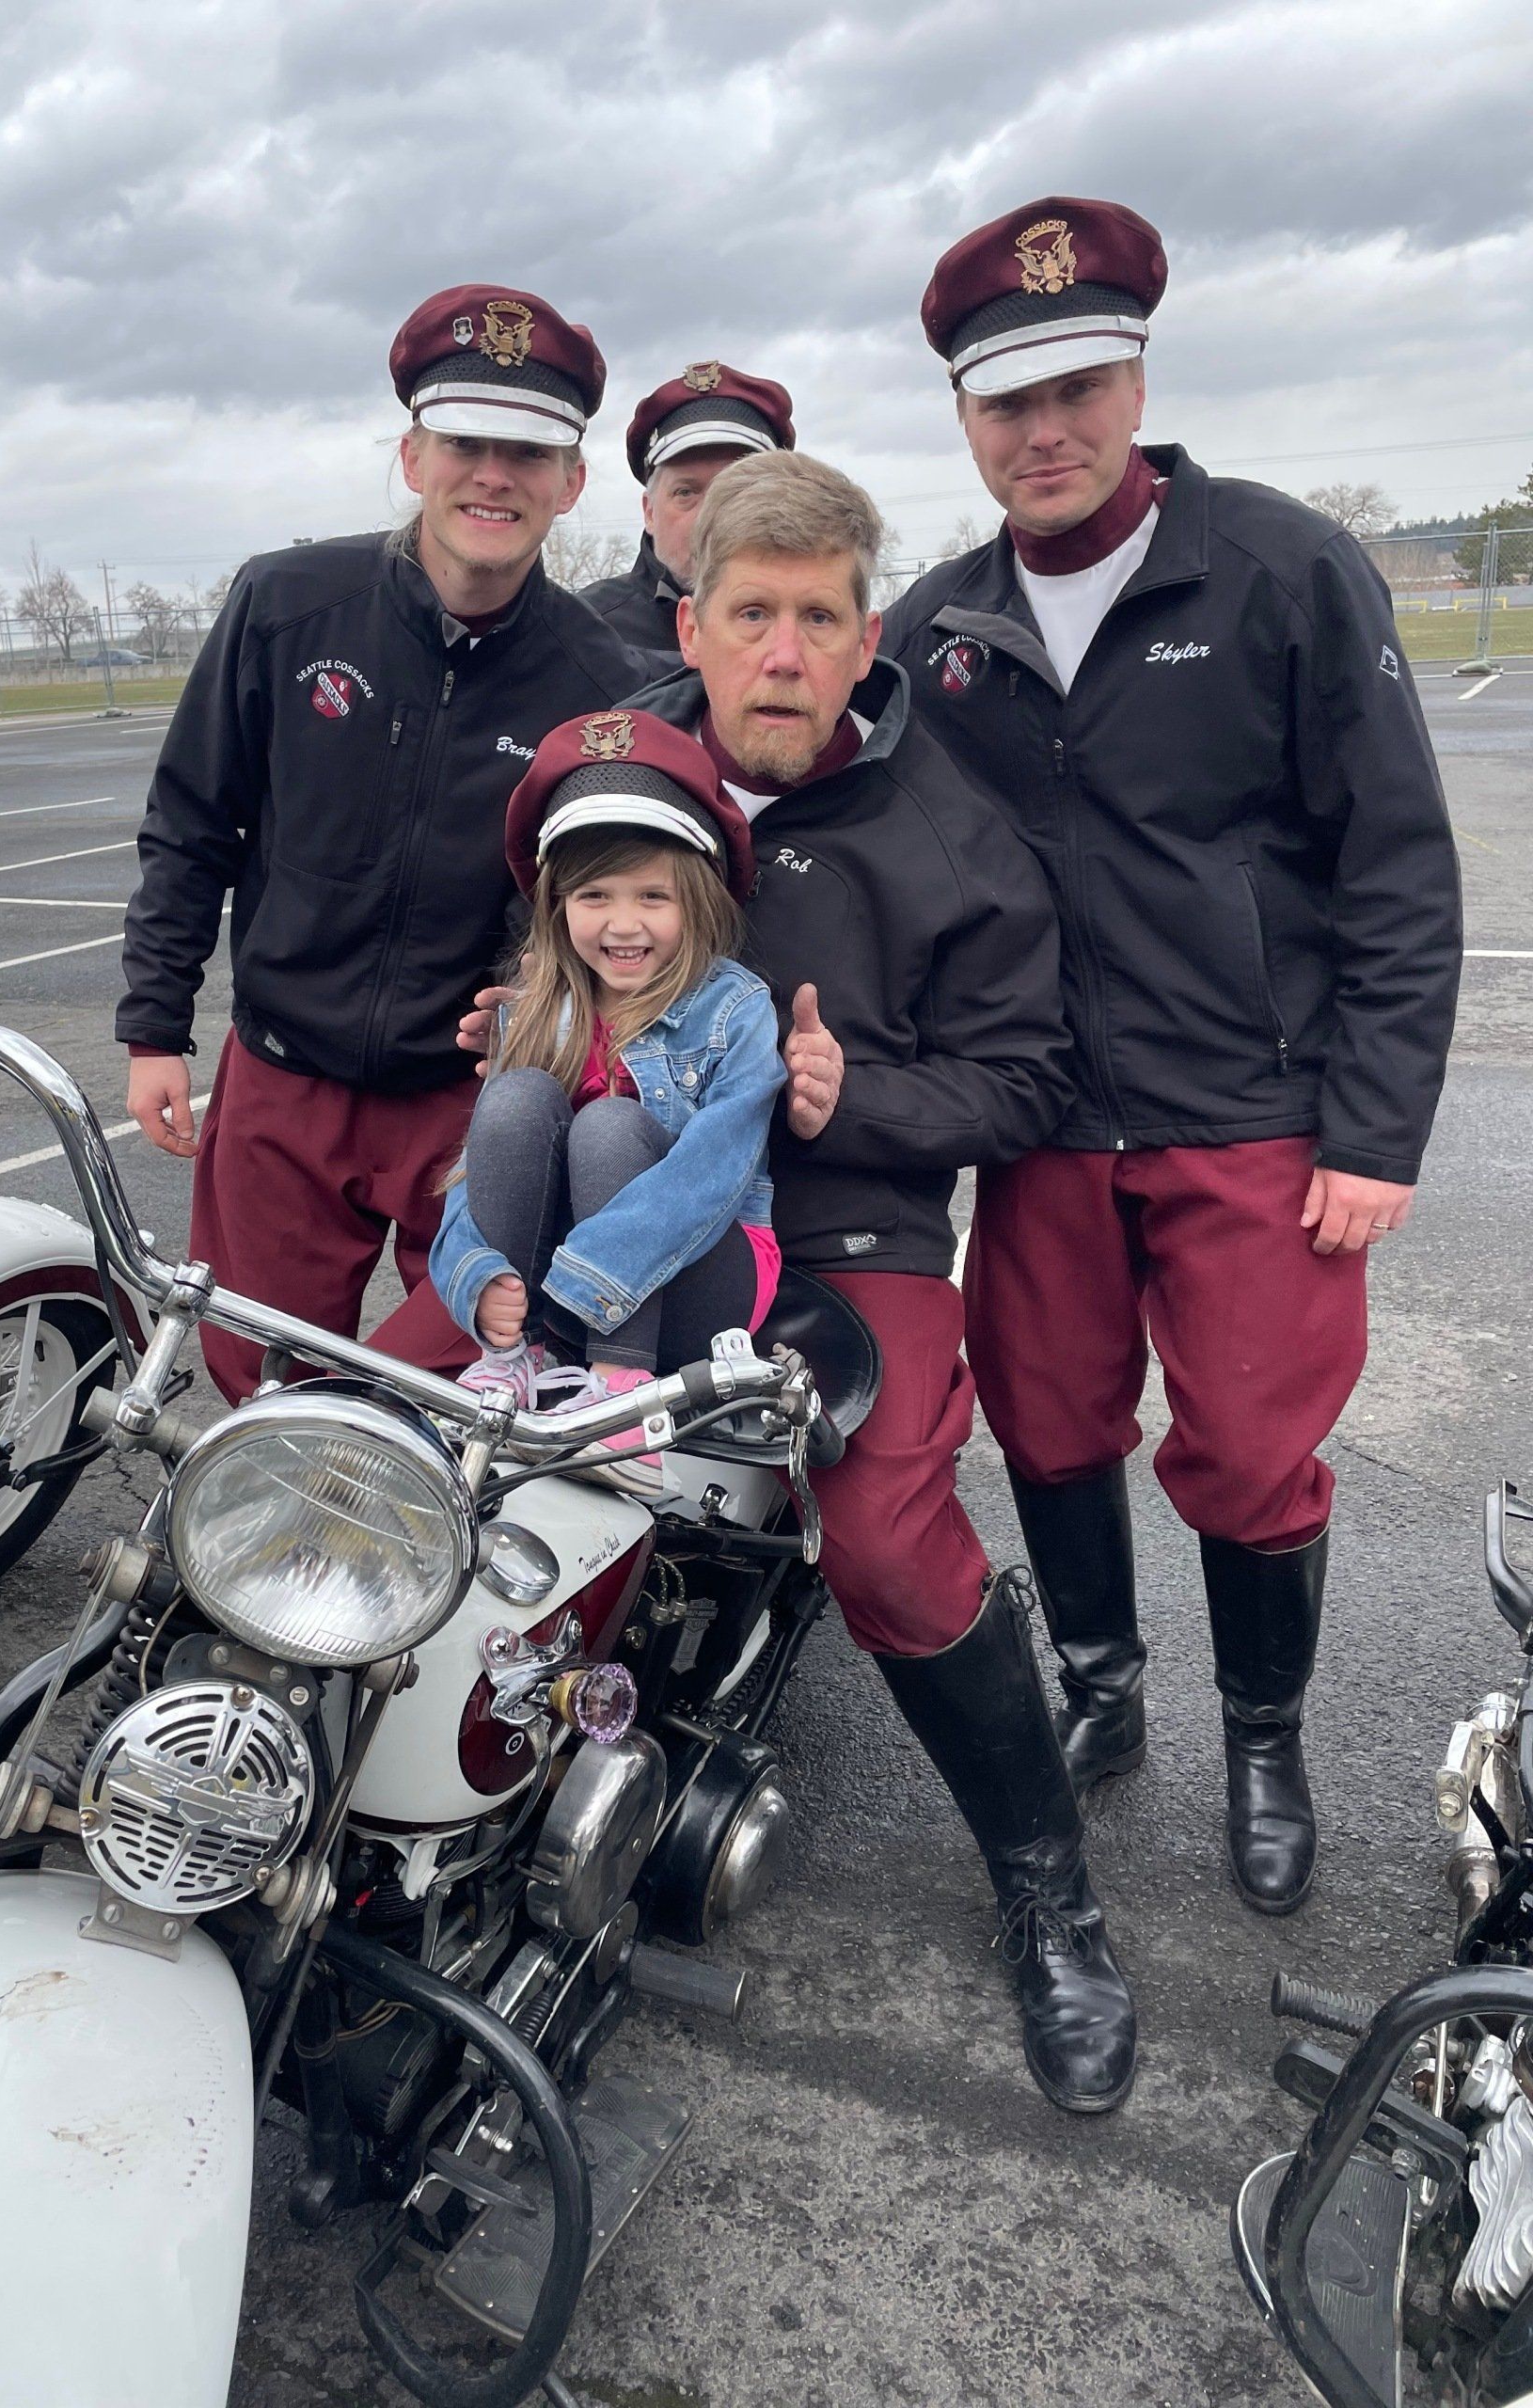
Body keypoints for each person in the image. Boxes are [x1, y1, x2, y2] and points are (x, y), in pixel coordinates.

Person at [468, 452, 1138, 2114]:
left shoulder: (955, 833)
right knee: (395, 1410)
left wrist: (865, 1101)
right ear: (690, 623)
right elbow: (542, 949)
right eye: (751, 613)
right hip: (600, 1216)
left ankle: (1047, 1887)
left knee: (894, 1540)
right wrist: (521, 1025)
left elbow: (1029, 1085)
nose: (782, 653)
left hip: (840, 1237)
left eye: (820, 619)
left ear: (866, 637)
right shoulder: (611, 769)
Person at [882, 196, 1463, 1915]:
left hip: (1251, 1108)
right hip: (1042, 1122)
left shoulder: (1284, 570)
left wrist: (1376, 1132)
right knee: (1051, 1420)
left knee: (1256, 1448)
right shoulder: (935, 631)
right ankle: (1104, 1685)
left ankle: (1264, 1738)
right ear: (965, 418)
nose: (1045, 431)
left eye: (1078, 389)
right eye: (1008, 402)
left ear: (1136, 381)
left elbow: (1395, 863)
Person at [116, 284, 642, 1401]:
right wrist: (155, 1025)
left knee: (464, 1383)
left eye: (528, 452)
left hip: (468, 1097)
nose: (493, 476)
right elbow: (193, 819)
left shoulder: (600, 681)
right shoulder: (283, 605)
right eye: (465, 444)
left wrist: (527, 997)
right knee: (259, 1377)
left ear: (571, 483)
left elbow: (589, 896)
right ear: (413, 457)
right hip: (283, 1075)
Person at [431, 707, 782, 1493]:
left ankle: (624, 1397)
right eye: (594, 895)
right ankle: (511, 1363)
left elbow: (716, 1169)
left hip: (699, 1283)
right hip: (563, 1292)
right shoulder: (532, 1009)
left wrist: (594, 1275)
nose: (624, 924)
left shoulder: (735, 1009)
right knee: (516, 1099)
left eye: (653, 895)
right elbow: (476, 1171)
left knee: (611, 1126)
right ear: (557, 905)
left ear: (698, 898)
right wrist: (475, 1276)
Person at [580, 364, 795, 659]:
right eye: (686, 493)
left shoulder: (829, 631)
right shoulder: (585, 634)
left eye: (737, 490)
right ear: (649, 512)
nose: (709, 517)